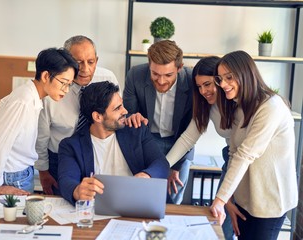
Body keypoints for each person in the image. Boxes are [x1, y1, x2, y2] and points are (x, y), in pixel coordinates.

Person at [210, 50, 298, 240]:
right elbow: (233, 153)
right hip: (246, 200)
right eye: (220, 79)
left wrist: (220, 199)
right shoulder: (239, 106)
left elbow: (245, 154)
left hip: (269, 202)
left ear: (245, 74)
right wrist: (229, 199)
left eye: (229, 77)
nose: (223, 84)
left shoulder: (271, 107)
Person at [0, 48, 78, 195]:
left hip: (21, 172)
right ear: (46, 75)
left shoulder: (33, 97)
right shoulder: (23, 101)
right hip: (14, 176)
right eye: (63, 83)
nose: (66, 90)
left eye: (69, 84)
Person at [57, 81, 170, 205]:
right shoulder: (71, 146)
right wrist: (77, 191)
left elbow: (161, 163)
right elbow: (66, 180)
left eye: (122, 105)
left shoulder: (136, 131)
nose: (125, 111)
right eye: (117, 108)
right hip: (98, 211)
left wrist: (146, 175)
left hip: (139, 204)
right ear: (97, 117)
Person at [35, 35, 119, 195]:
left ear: (97, 60)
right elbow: (41, 136)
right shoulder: (51, 88)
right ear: (66, 61)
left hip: (96, 155)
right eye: (78, 62)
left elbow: (116, 115)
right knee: (64, 206)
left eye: (91, 62)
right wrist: (43, 171)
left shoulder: (108, 78)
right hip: (58, 158)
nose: (85, 69)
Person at [165, 56, 234, 239]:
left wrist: (229, 196)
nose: (203, 91)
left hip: (246, 163)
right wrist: (161, 168)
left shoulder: (237, 103)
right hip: (231, 160)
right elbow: (187, 139)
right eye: (199, 86)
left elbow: (246, 154)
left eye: (208, 84)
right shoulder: (208, 106)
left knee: (230, 217)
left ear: (220, 80)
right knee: (220, 223)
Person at [123, 40, 194, 204]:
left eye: (168, 75)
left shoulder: (191, 81)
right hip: (147, 140)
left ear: (179, 67)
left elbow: (192, 130)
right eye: (155, 74)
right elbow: (128, 114)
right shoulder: (135, 75)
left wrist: (175, 167)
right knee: (144, 194)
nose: (161, 81)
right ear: (149, 65)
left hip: (180, 141)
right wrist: (132, 118)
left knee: (172, 198)